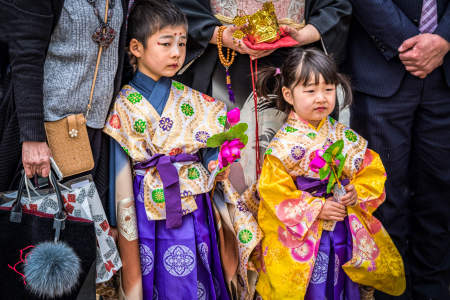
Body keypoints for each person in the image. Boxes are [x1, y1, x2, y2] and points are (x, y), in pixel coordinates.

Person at [103, 1, 232, 298]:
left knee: (197, 265)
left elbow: (209, 145)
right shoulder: (123, 104)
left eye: (182, 43)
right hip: (146, 205)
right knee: (153, 271)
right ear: (136, 47)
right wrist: (114, 219)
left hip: (192, 200)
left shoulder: (196, 101)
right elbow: (118, 172)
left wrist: (217, 161)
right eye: (166, 43)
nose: (176, 52)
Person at [254, 48, 405, 299]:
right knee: (313, 286)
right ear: (288, 94)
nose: (321, 98)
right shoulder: (282, 146)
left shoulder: (343, 135)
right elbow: (273, 193)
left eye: (328, 89)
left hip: (343, 227)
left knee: (343, 284)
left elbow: (371, 171)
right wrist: (316, 208)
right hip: (306, 236)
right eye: (310, 91)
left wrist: (356, 192)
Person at [170, 0, 352, 192]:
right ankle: (232, 217)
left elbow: (335, 5)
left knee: (303, 159)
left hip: (296, 60)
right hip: (223, 61)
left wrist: (302, 35)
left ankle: (299, 212)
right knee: (228, 157)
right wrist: (221, 35)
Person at [343, 1, 450, 299]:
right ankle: (390, 293)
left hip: (445, 74)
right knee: (383, 196)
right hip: (382, 66)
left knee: (441, 197)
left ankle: (434, 291)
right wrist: (413, 45)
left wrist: (443, 39)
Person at [0, 0, 129, 218]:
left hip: (93, 130)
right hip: (44, 130)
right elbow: (26, 58)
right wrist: (32, 138)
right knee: (32, 229)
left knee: (81, 233)